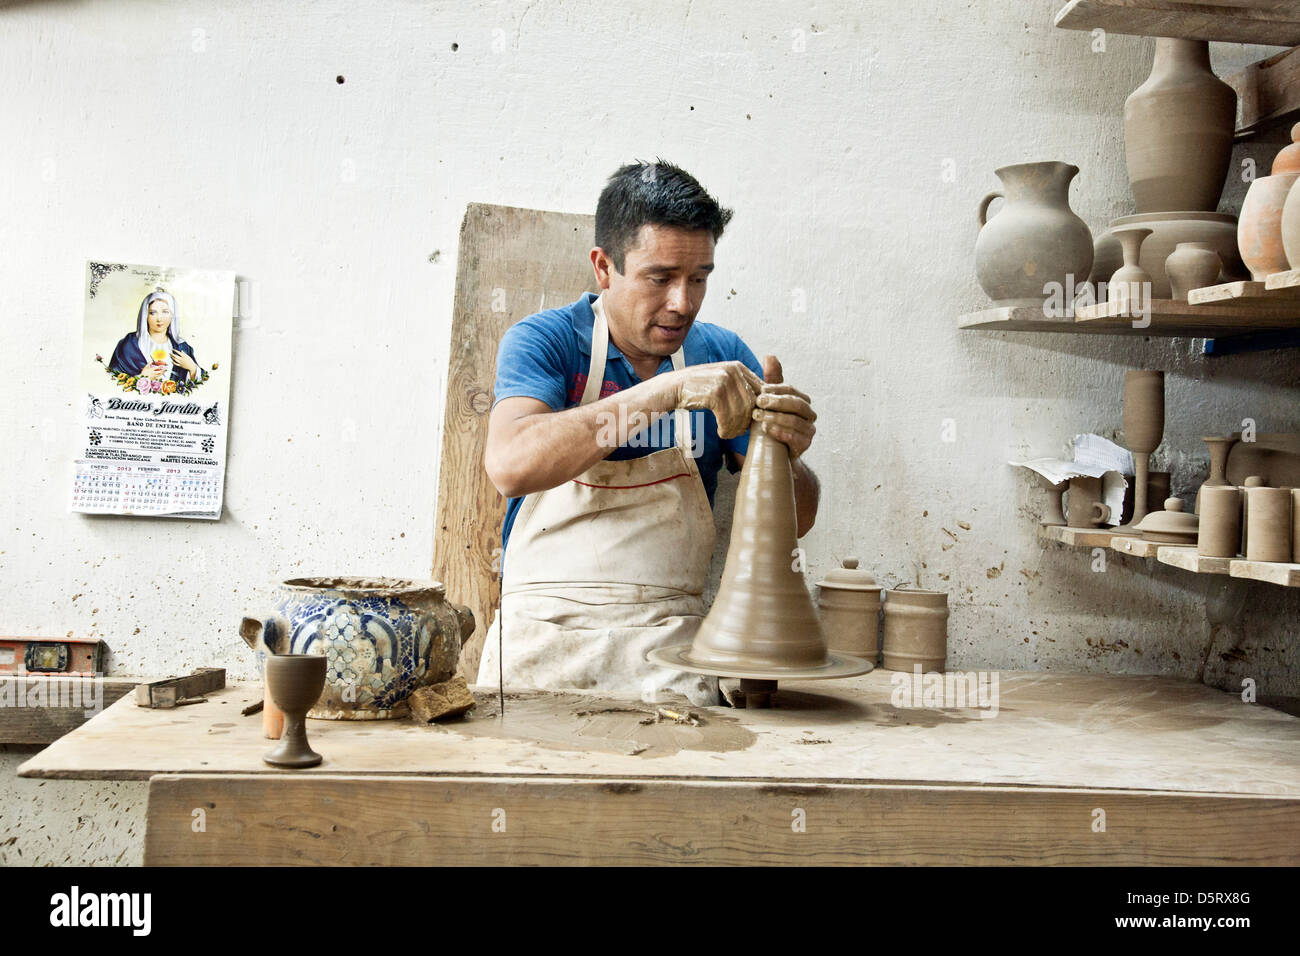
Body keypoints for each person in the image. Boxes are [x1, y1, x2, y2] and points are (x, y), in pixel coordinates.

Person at [477, 160, 820, 707]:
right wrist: (667, 391)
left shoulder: (723, 355)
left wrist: (787, 453)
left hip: (670, 646)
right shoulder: (547, 341)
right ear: (604, 267)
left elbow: (796, 520)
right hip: (541, 637)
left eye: (700, 278)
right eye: (660, 278)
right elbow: (511, 464)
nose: (682, 303)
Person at [108, 289, 202, 384]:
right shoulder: (129, 344)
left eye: (165, 312)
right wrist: (142, 378)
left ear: (172, 315)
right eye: (153, 313)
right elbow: (112, 380)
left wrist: (192, 368)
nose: (159, 318)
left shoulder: (182, 347)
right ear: (145, 315)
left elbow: (201, 384)